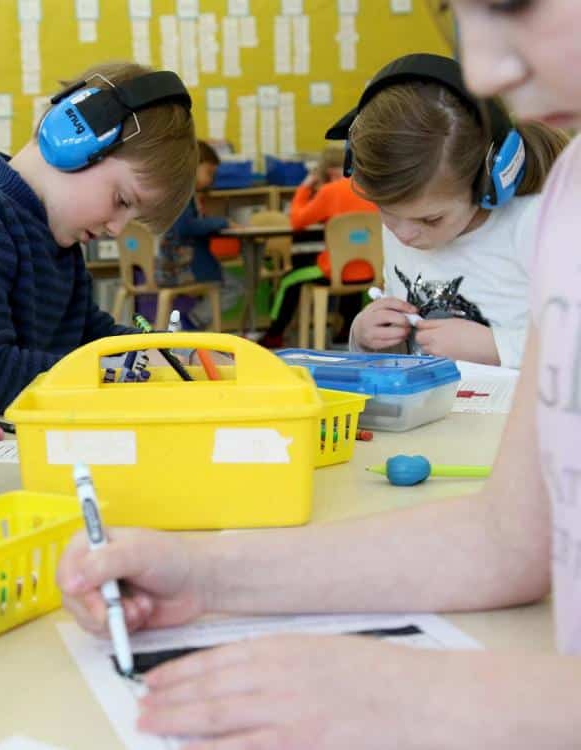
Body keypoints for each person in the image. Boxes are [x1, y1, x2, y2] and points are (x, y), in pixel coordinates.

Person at [57, 17, 581, 746]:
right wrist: (204, 575)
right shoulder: (570, 197)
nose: (486, 73)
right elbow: (509, 537)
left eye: (516, 3)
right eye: (466, 20)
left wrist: (410, 696)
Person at [0, 61, 198, 432]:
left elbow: (89, 335)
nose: (116, 228)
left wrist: (178, 353)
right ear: (76, 138)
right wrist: (123, 372)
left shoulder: (57, 240)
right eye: (121, 200)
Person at [343, 53, 567, 367]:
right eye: (387, 212)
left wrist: (497, 347)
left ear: (491, 183)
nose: (405, 235)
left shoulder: (536, 225)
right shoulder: (404, 227)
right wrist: (366, 337)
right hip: (437, 412)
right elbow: (403, 357)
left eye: (430, 218)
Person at [258, 145, 378, 349]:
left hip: (335, 272)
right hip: (372, 271)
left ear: (329, 171)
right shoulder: (372, 190)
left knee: (290, 280)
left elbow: (297, 221)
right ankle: (345, 331)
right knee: (351, 266)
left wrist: (305, 187)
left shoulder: (329, 191)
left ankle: (274, 334)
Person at [150, 140, 244, 330]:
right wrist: (222, 222)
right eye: (209, 172)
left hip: (167, 266)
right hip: (180, 268)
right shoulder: (183, 194)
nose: (211, 180)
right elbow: (187, 227)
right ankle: (193, 321)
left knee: (227, 281)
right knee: (234, 286)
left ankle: (194, 321)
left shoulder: (173, 191)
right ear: (194, 166)